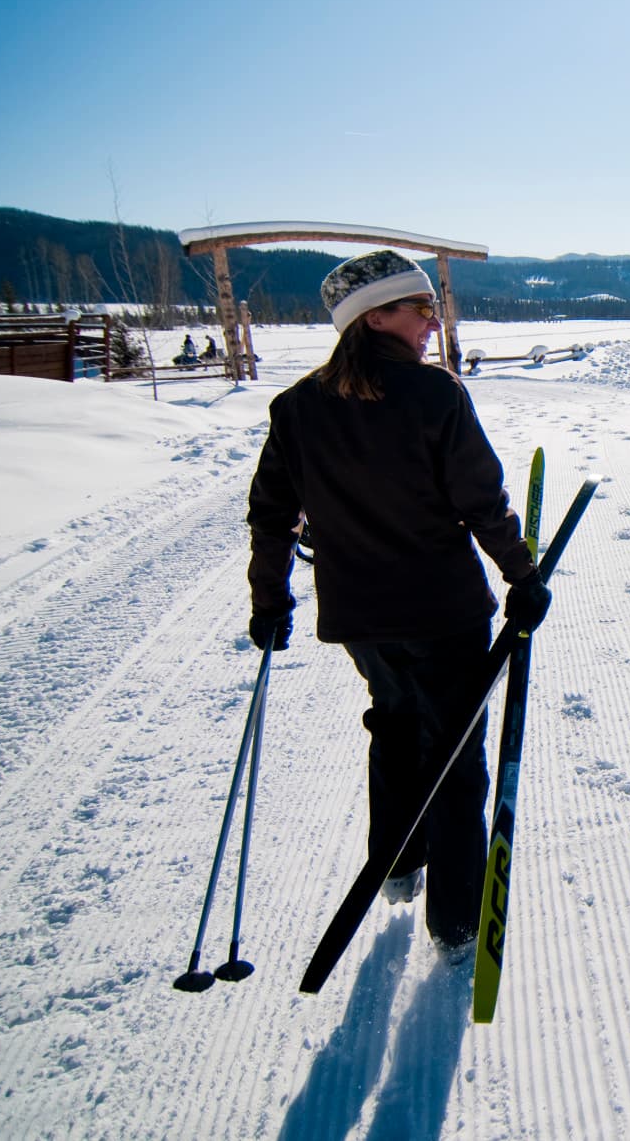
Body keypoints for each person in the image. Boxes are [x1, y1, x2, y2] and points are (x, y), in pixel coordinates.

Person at [246, 249, 551, 958]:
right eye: (420, 310)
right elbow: (481, 501)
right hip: (443, 613)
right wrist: (521, 577)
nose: (431, 323)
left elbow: (270, 517)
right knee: (454, 757)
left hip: (361, 619)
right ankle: (455, 919)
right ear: (374, 316)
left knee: (395, 727)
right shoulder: (433, 394)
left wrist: (271, 600)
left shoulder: (296, 408)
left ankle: (397, 864)